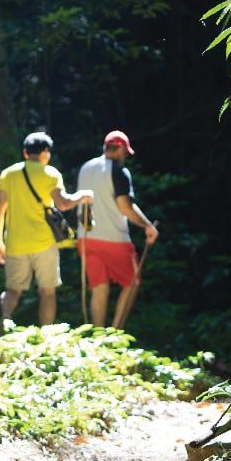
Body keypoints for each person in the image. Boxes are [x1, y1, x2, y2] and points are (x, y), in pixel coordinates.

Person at [0, 132, 93, 330]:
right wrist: (82, 196)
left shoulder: (8, 174)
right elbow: (63, 204)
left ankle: (5, 322)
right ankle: (46, 336)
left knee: (13, 290)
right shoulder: (50, 174)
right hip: (43, 243)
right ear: (46, 152)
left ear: (25, 153)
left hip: (15, 242)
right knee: (47, 291)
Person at [75, 130, 158, 329]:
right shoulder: (118, 171)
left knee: (99, 287)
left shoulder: (86, 167)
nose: (125, 158)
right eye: (125, 153)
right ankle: (115, 334)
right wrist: (148, 226)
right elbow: (125, 206)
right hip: (114, 239)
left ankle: (98, 336)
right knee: (133, 281)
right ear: (120, 149)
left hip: (86, 237)